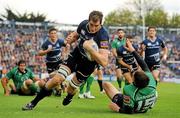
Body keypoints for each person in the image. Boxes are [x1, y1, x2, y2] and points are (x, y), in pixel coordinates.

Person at [22, 10, 109, 110]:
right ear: (88, 21)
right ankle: (33, 103)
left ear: (101, 24)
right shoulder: (83, 24)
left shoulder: (103, 35)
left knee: (71, 88)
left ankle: (70, 96)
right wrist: (70, 40)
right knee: (56, 80)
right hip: (76, 55)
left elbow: (104, 62)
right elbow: (76, 35)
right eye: (91, 24)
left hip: (88, 64)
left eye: (96, 26)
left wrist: (90, 49)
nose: (93, 28)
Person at [103, 39, 157, 114]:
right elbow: (143, 63)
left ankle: (121, 96)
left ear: (134, 82)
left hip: (134, 106)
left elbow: (129, 111)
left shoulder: (128, 89)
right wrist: (132, 50)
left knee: (106, 84)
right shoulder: (151, 81)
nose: (133, 73)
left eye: (134, 75)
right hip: (145, 107)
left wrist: (117, 109)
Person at [38, 28, 68, 96]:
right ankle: (58, 90)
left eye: (55, 33)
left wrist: (65, 53)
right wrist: (47, 51)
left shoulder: (60, 41)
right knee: (54, 80)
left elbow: (68, 45)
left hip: (59, 62)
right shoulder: (46, 43)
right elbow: (39, 53)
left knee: (60, 74)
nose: (53, 35)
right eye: (52, 33)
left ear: (56, 34)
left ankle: (63, 83)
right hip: (50, 64)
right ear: (49, 35)